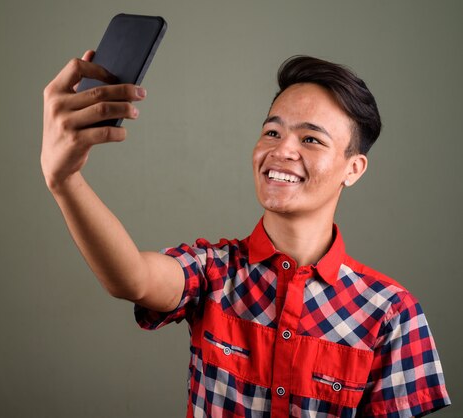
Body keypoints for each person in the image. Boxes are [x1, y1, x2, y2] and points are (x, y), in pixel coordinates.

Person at [41, 50, 450, 417]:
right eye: (272, 132)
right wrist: (65, 180)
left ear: (353, 169)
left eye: (311, 139)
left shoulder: (392, 315)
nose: (282, 150)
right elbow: (132, 278)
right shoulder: (212, 272)